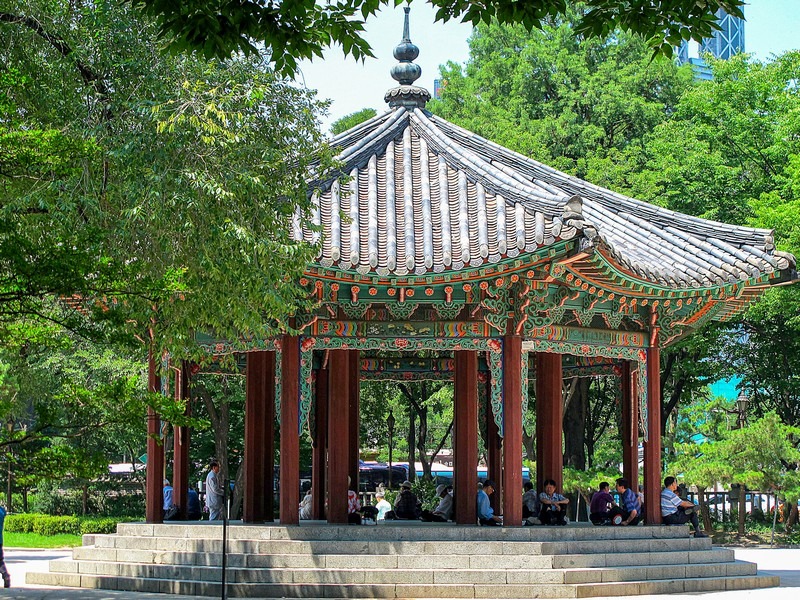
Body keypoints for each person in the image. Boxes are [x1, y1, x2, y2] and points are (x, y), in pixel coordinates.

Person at [0, 502, 9, 587]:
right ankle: (5, 575)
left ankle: (6, 576)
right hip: (0, 540)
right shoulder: (2, 511)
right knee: (0, 561)